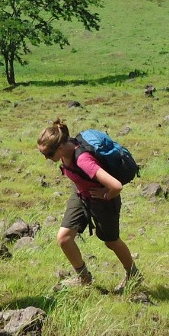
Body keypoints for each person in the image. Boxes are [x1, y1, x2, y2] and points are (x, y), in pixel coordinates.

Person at [36, 120, 140, 292]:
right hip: (81, 195)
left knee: (111, 241)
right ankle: (84, 278)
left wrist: (105, 194)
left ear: (61, 147)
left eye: (47, 154)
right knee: (64, 238)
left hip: (103, 201)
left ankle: (133, 274)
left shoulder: (84, 160)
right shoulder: (64, 151)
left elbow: (116, 186)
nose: (46, 158)